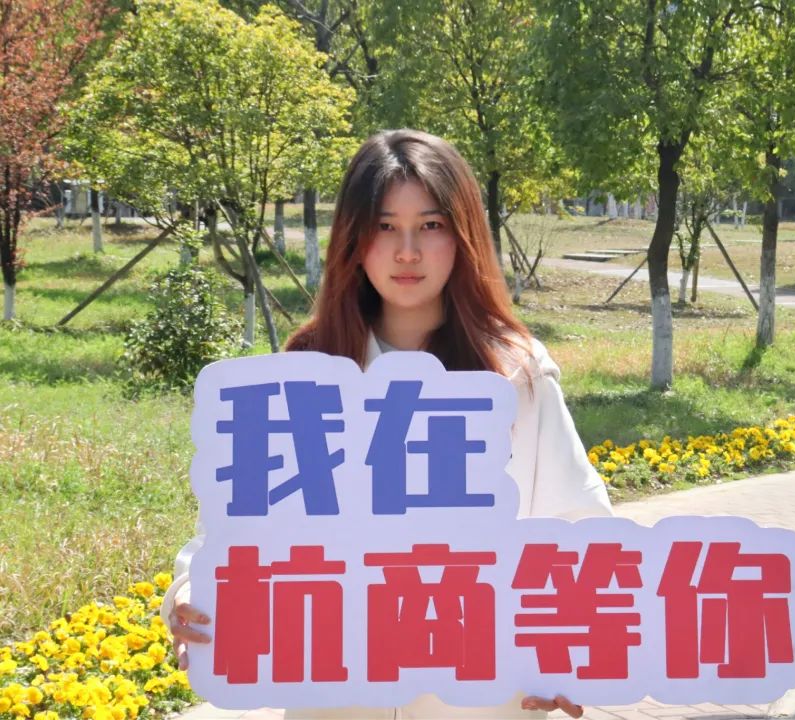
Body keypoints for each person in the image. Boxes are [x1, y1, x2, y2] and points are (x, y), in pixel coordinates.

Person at [162, 129, 614, 720]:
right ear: (354, 237)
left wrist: (574, 653)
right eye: (384, 226)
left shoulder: (514, 374)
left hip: (477, 694)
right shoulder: (306, 369)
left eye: (430, 225)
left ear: (463, 234)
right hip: (336, 694)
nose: (407, 251)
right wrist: (192, 593)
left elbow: (576, 524)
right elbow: (237, 526)